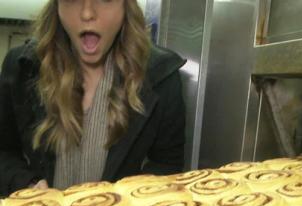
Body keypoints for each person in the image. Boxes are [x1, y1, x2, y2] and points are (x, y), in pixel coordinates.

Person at [0, 0, 186, 196]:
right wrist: (27, 184)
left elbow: (167, 165)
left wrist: (127, 199)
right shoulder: (22, 68)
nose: (87, 13)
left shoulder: (162, 76)